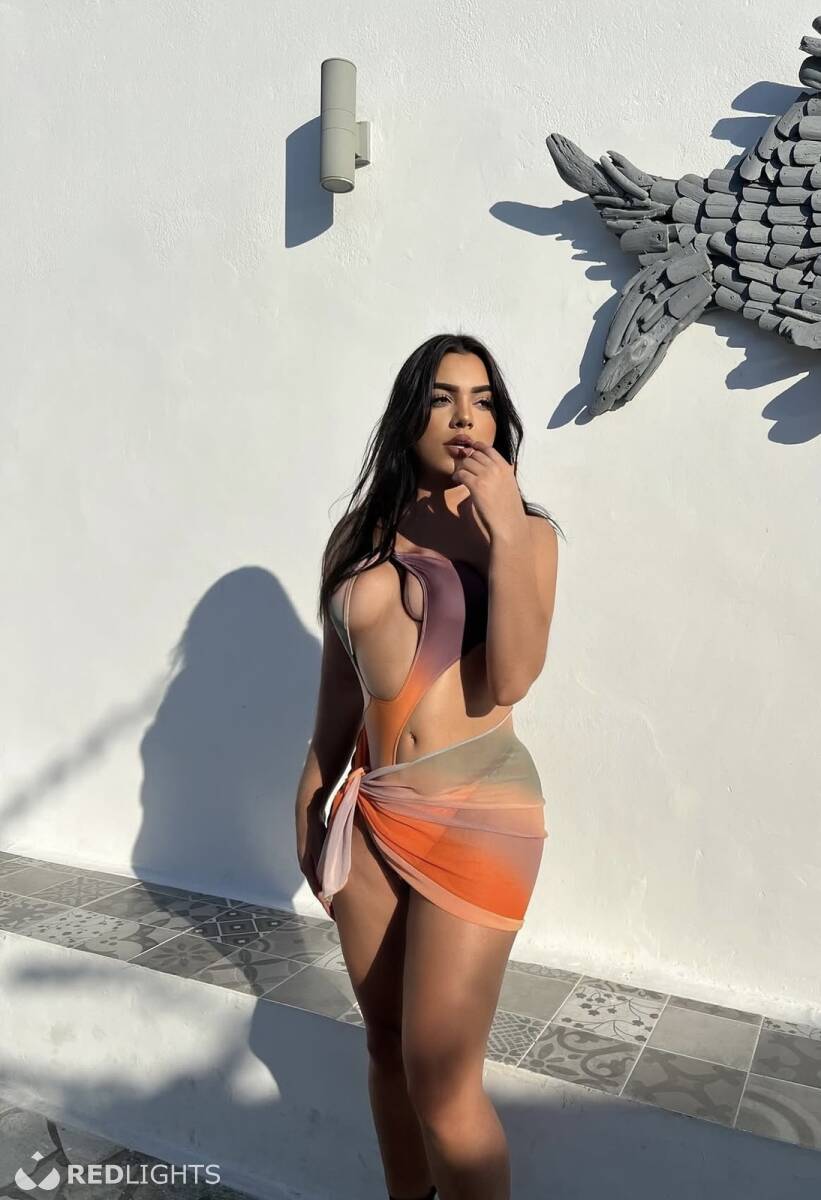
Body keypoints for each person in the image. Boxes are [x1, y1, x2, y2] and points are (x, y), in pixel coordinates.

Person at [294, 333, 561, 1200]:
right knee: (384, 1048)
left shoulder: (526, 534)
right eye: (442, 397)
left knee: (443, 1084)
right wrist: (310, 795)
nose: (462, 417)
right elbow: (341, 682)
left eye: (481, 400)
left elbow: (512, 677)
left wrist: (505, 529)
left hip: (477, 816)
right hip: (373, 813)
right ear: (410, 412)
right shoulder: (356, 534)